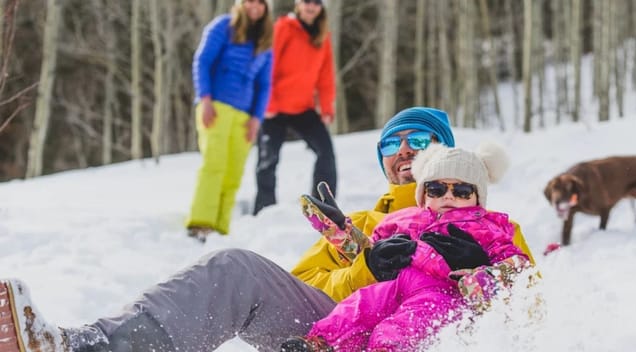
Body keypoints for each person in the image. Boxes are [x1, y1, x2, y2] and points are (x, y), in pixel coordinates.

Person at [0, 107, 533, 352]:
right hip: (339, 337)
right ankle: (91, 350)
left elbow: (534, 313)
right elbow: (303, 285)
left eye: (420, 140)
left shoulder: (491, 229)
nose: (405, 151)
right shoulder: (361, 225)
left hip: (433, 338)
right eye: (392, 144)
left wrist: (485, 276)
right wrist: (364, 268)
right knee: (236, 269)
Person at [281, 142, 532, 352]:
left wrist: (485, 276)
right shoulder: (406, 218)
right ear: (423, 194)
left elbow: (518, 266)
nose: (448, 196)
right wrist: (338, 231)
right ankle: (321, 343)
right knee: (359, 306)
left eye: (462, 190)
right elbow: (371, 251)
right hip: (396, 284)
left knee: (399, 328)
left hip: (440, 293)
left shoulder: (489, 227)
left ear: (478, 198)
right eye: (436, 189)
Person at [185, 0, 274, 242]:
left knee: (233, 172)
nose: (255, 6)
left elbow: (264, 84)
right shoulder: (223, 26)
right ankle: (201, 223)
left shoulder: (266, 40)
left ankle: (220, 227)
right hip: (216, 107)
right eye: (250, 1)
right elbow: (202, 61)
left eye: (260, 3)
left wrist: (256, 119)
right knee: (214, 164)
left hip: (244, 116)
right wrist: (205, 99)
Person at [253, 0, 337, 214]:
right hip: (275, 108)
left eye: (316, 2)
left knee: (325, 152)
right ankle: (264, 210)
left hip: (303, 108)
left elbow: (325, 75)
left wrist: (326, 107)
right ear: (298, 4)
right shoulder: (283, 27)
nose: (311, 6)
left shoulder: (322, 35)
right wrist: (268, 103)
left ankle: (324, 208)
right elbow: (268, 64)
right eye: (307, 1)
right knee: (268, 160)